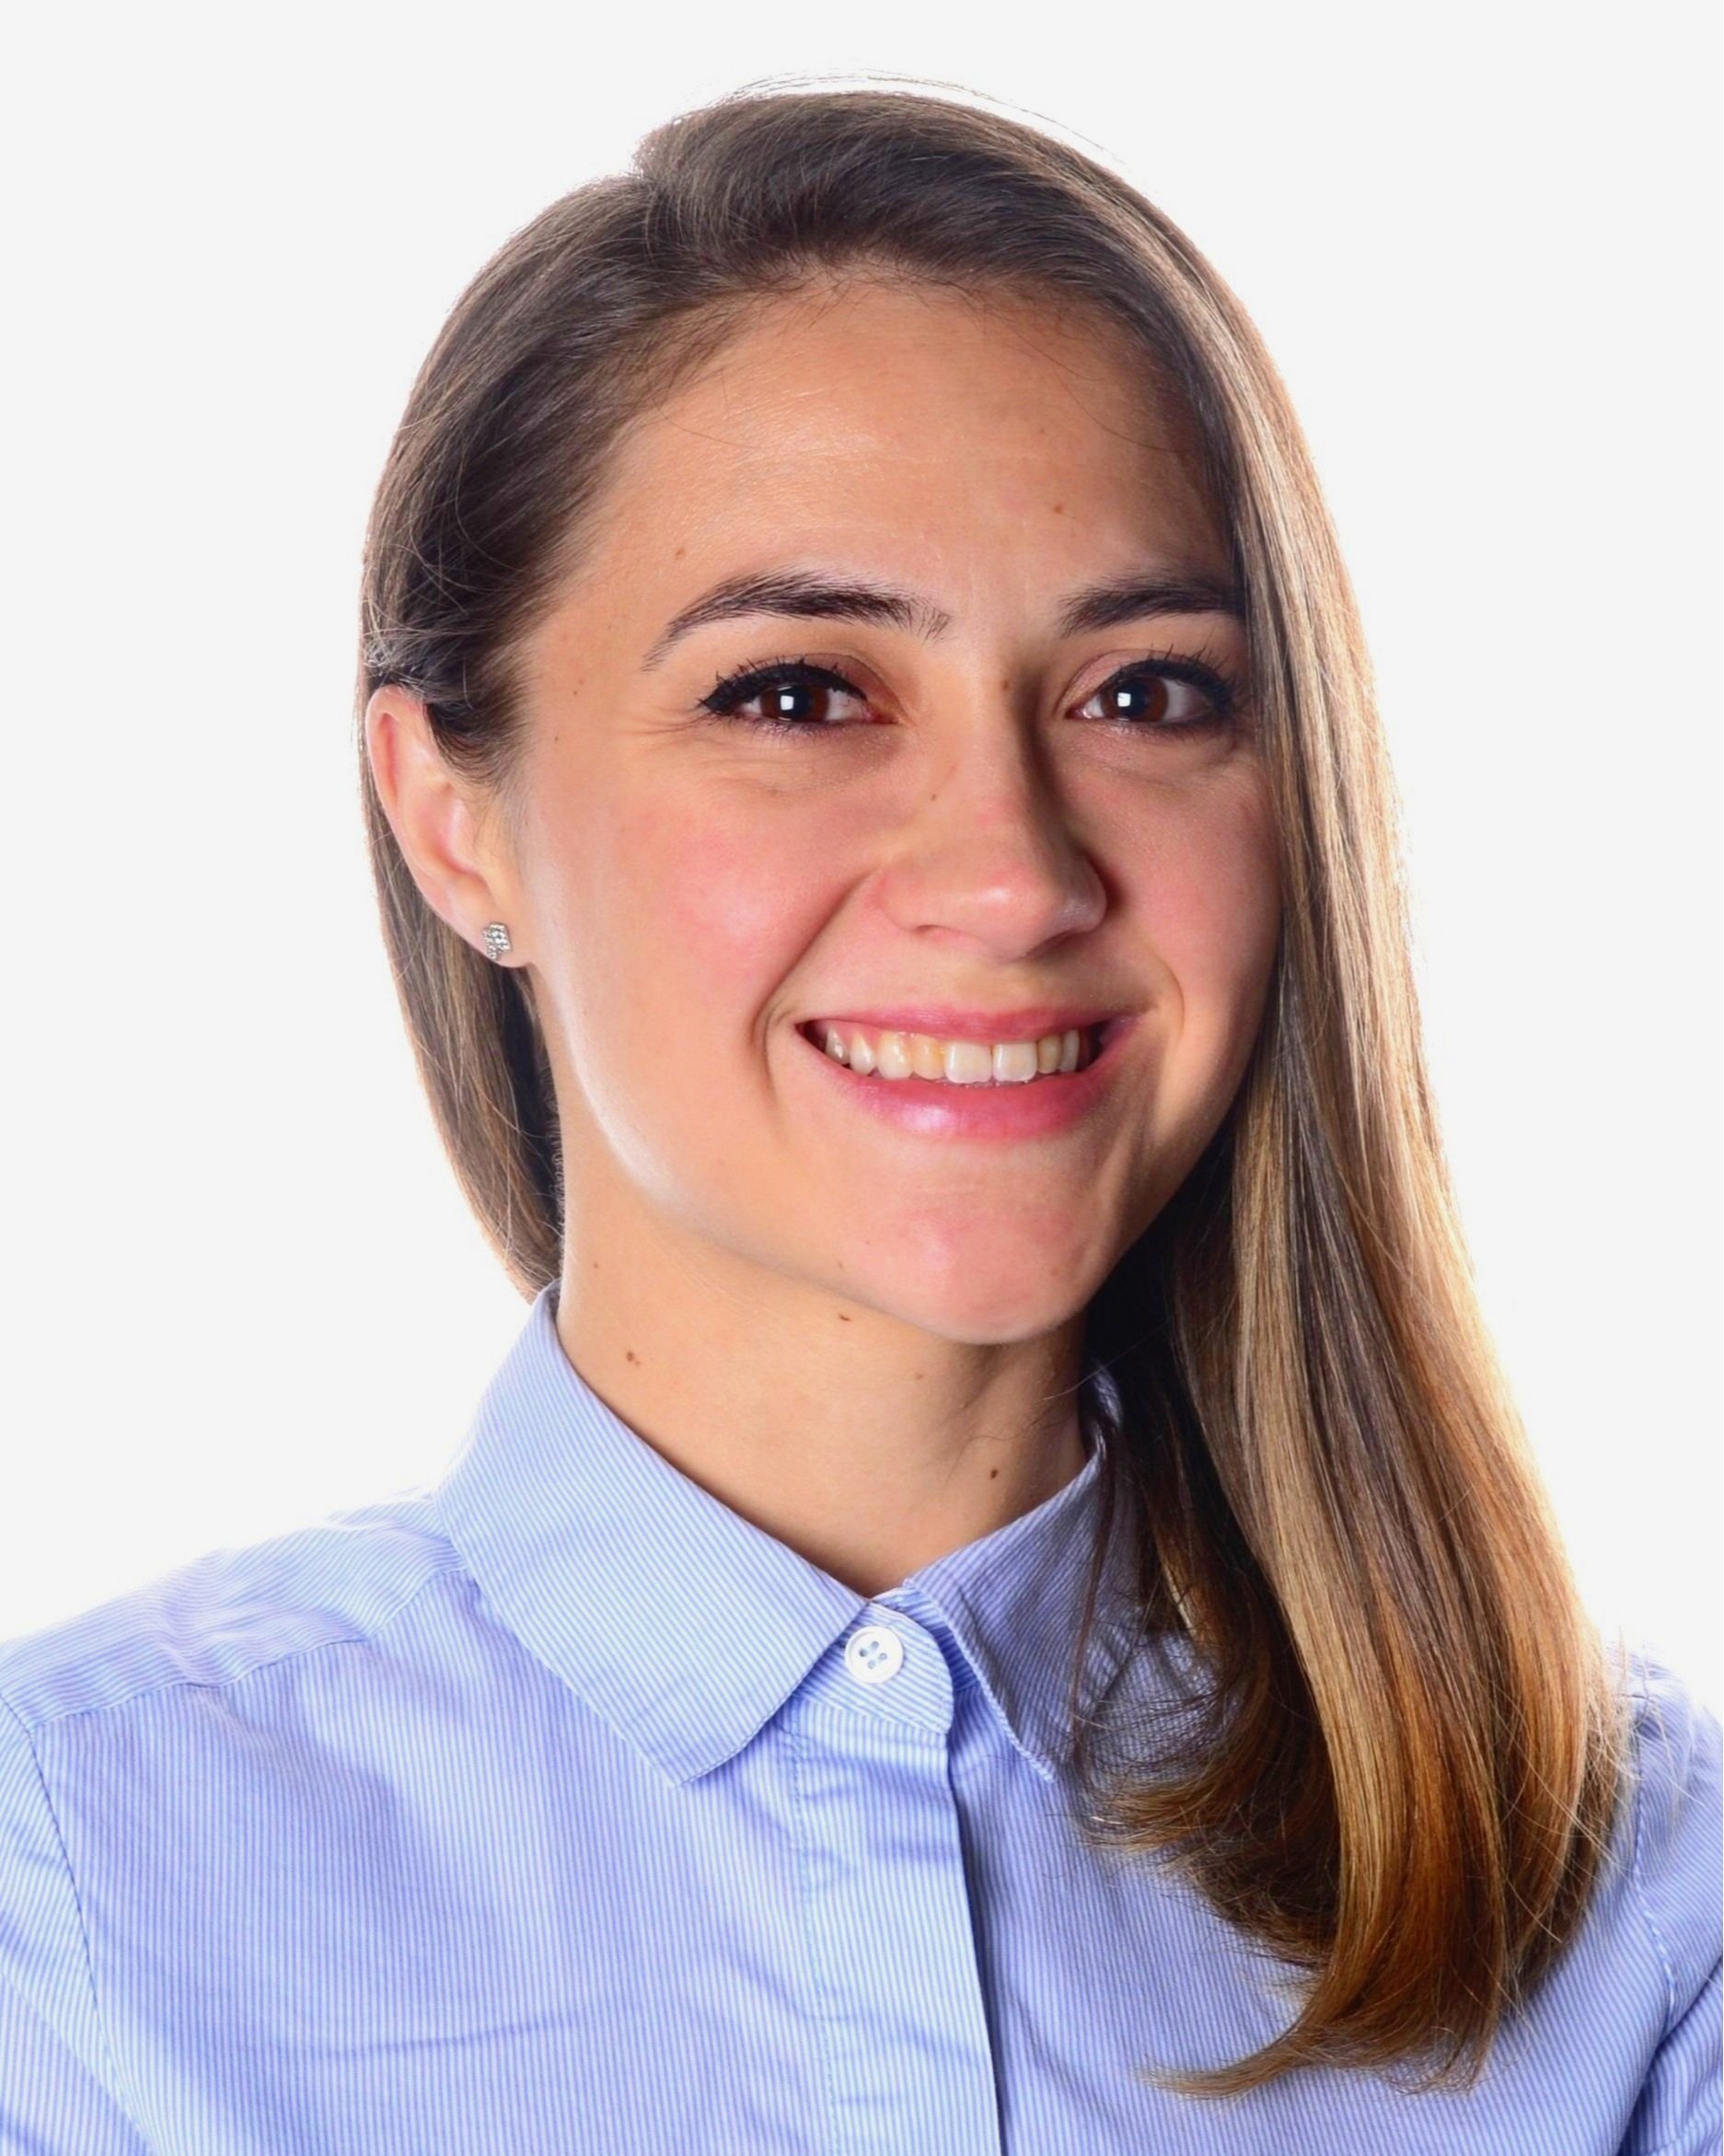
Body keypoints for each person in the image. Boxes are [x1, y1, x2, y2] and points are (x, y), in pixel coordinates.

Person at [1, 82, 1717, 2156]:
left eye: (1144, 691)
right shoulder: (66, 1895)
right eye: (798, 692)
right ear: (457, 821)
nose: (1008, 874)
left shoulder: (1642, 1920)